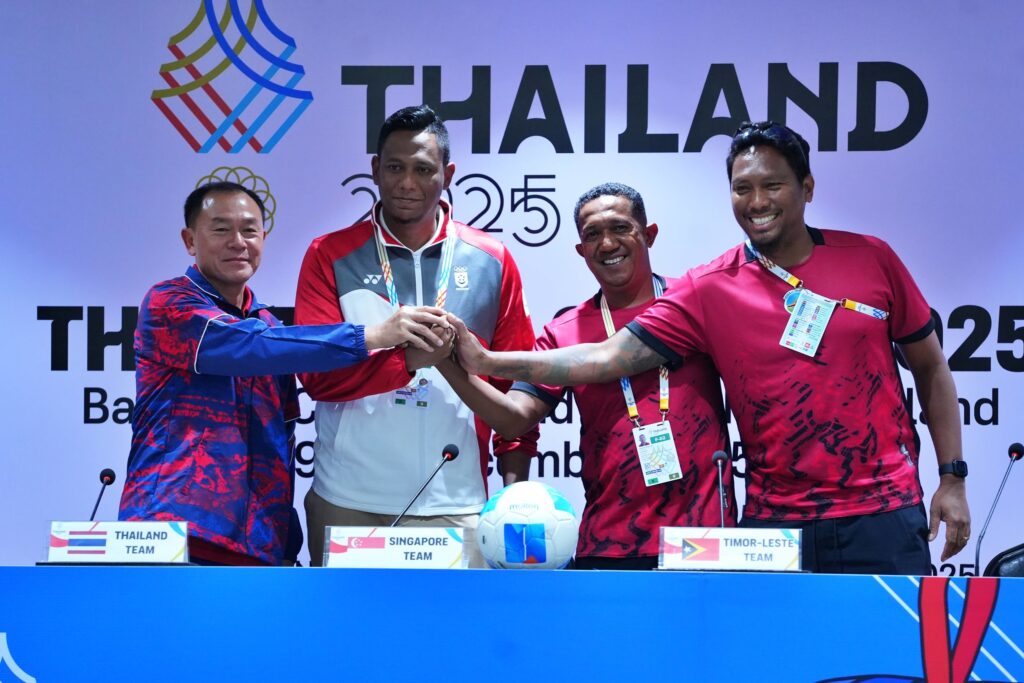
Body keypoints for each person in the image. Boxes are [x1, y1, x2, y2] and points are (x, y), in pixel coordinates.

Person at [450, 123, 971, 575]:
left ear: (807, 187)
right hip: (773, 524)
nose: (757, 201)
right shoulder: (708, 288)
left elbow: (930, 368)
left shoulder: (872, 259)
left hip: (882, 508)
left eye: (772, 185)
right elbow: (604, 357)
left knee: (890, 650)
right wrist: (483, 362)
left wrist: (953, 477)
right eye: (743, 188)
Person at [119, 181, 452, 566]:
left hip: (259, 549)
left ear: (263, 238)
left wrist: (286, 541)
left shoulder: (271, 325)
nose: (238, 242)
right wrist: (373, 334)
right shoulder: (169, 303)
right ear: (190, 240)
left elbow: (281, 442)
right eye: (221, 229)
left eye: (249, 230)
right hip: (173, 537)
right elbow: (250, 346)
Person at [438, 183, 735, 570]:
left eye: (620, 228)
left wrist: (485, 361)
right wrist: (446, 363)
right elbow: (513, 419)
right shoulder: (565, 331)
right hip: (609, 543)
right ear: (581, 250)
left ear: (649, 234)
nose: (607, 244)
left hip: (703, 539)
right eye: (593, 234)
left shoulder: (693, 304)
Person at [294, 105, 537, 566]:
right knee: (348, 618)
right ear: (375, 170)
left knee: (456, 619)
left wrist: (513, 496)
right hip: (347, 499)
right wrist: (406, 360)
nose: (407, 183)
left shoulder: (491, 259)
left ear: (447, 174)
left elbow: (517, 386)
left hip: (457, 502)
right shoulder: (330, 253)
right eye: (394, 167)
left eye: (423, 170)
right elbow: (317, 377)